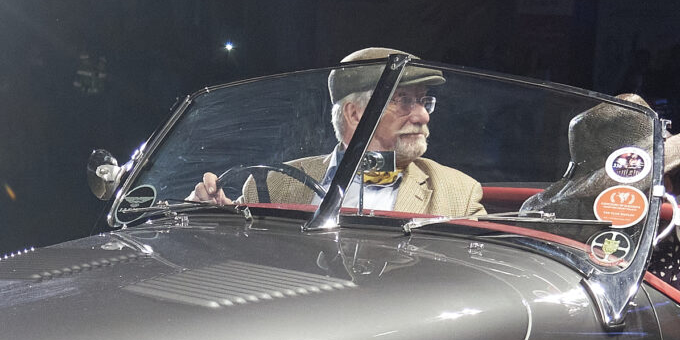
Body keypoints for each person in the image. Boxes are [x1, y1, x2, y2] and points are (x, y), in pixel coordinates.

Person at [188, 48, 482, 217]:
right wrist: (210, 213)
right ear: (354, 114)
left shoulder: (458, 194)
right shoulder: (271, 184)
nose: (423, 115)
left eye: (423, 100)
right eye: (404, 100)